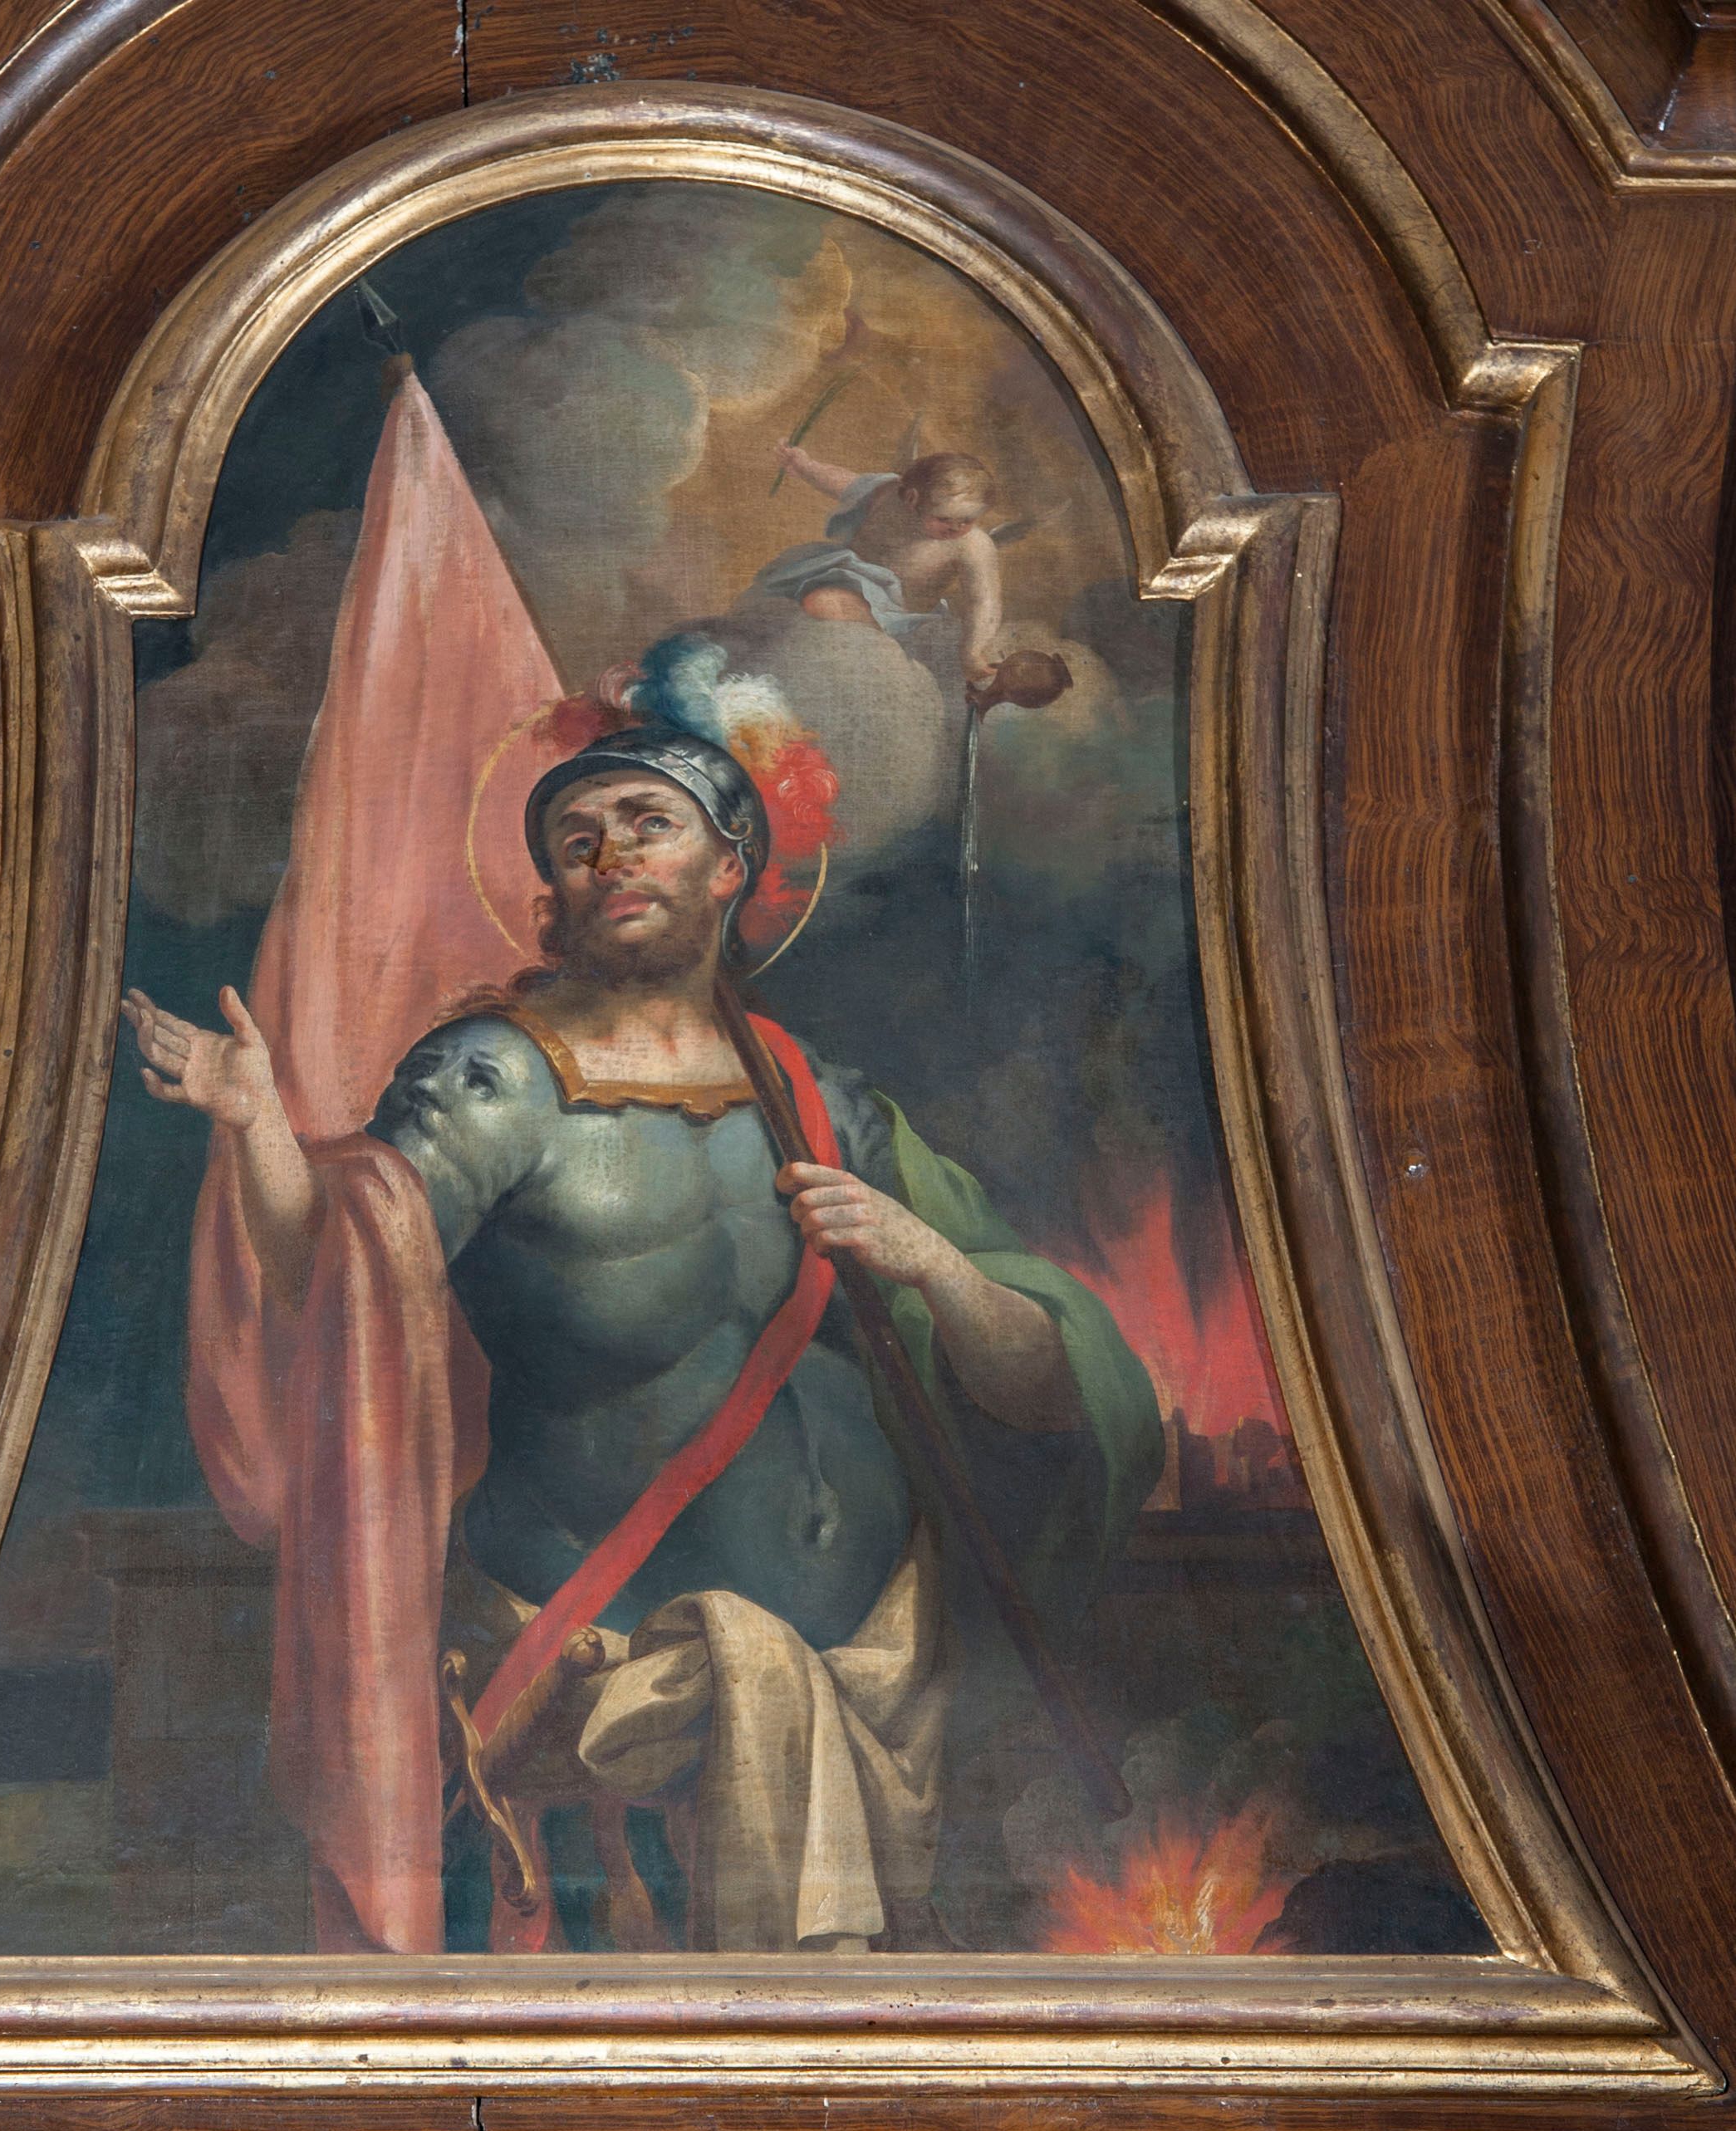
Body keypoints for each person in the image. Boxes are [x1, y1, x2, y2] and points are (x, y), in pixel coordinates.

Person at [122, 722, 1157, 1952]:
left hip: (878, 1662)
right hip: (615, 1670)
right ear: (553, 893)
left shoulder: (818, 1096)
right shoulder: (497, 1080)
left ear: (727, 867)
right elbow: (335, 1277)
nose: (608, 855)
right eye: (576, 840)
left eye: (646, 824)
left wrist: (927, 1256)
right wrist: (255, 1125)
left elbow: (1040, 1386)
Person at [758, 447, 1004, 686]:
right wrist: (804, 465)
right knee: (777, 609)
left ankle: (872, 661)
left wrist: (973, 651)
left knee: (825, 605)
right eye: (944, 518)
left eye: (968, 520)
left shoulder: (973, 545)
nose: (956, 528)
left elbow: (984, 602)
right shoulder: (886, 495)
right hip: (843, 577)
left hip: (900, 617)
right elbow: (844, 484)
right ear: (912, 499)